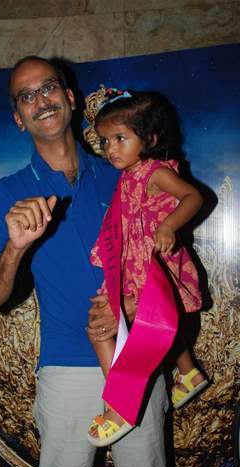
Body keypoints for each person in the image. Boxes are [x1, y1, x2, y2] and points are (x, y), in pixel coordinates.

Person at [0, 57, 169, 467]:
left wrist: (133, 304)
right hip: (65, 370)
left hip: (138, 355)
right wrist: (14, 249)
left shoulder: (125, 174)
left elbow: (167, 258)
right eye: (26, 96)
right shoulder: (8, 192)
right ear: (19, 119)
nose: (40, 100)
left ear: (70, 97)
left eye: (48, 87)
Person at [86, 88, 208, 447]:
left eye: (120, 138)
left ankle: (120, 406)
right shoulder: (130, 175)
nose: (111, 148)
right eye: (106, 140)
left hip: (151, 265)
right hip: (137, 265)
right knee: (162, 327)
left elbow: (195, 197)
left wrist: (169, 226)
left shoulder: (154, 171)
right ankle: (188, 373)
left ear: (150, 138)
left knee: (100, 331)